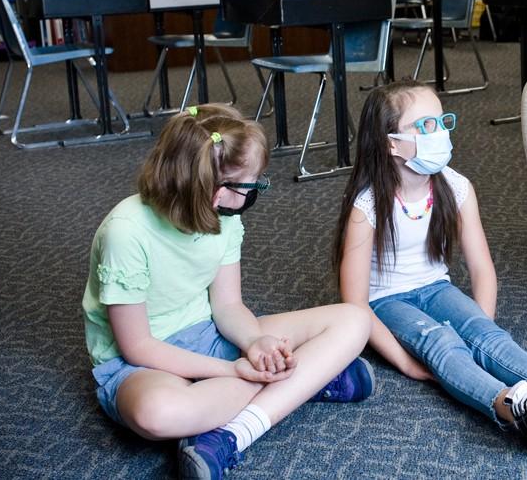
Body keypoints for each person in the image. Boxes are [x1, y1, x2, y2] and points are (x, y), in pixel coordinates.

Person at [333, 80, 527, 456]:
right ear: (391, 143)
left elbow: (482, 268)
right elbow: (354, 302)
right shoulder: (368, 206)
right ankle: (512, 406)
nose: (439, 133)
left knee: (483, 333)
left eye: (441, 121)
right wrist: (406, 363)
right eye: (424, 126)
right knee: (441, 342)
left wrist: (481, 328)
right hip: (385, 301)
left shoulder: (456, 188)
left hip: (435, 287)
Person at [82, 105, 373, 479]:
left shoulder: (225, 219)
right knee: (156, 414)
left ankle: (229, 427)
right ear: (218, 192)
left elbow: (228, 305)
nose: (257, 191)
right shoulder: (126, 231)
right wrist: (233, 369)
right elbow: (137, 347)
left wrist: (255, 343)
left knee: (353, 319)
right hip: (142, 363)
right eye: (254, 184)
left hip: (208, 333)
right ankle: (297, 386)